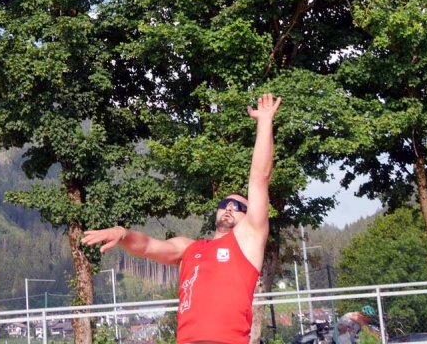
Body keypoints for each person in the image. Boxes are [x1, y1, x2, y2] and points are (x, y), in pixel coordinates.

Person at [82, 92, 280, 344]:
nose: (229, 208)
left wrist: (264, 123)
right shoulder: (190, 247)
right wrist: (122, 234)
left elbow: (259, 177)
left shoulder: (248, 240)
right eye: (224, 203)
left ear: (249, 215)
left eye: (238, 206)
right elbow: (148, 247)